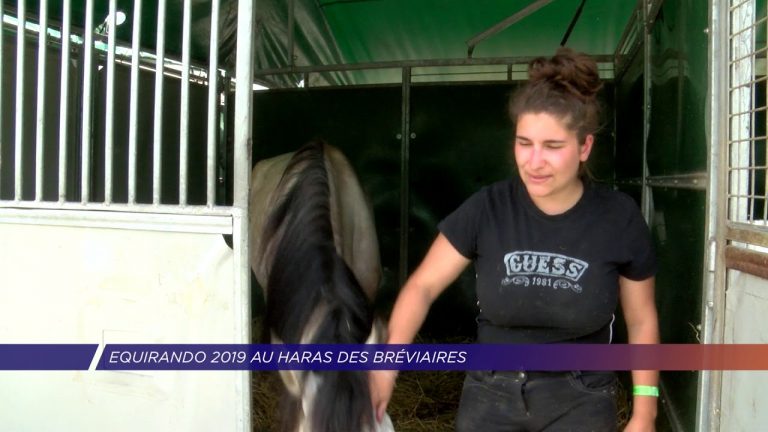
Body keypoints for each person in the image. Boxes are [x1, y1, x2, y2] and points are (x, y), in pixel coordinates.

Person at [369, 48, 659, 432]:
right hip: (491, 393)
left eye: (553, 147)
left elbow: (640, 321)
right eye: (524, 143)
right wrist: (385, 368)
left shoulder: (618, 217)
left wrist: (645, 414)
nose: (534, 161)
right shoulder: (487, 208)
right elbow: (422, 286)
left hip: (582, 396)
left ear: (585, 147)